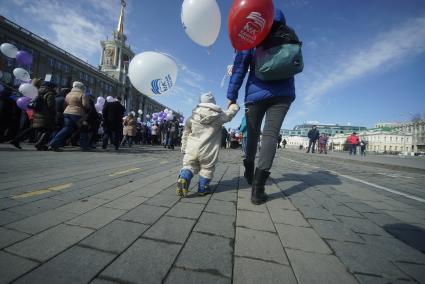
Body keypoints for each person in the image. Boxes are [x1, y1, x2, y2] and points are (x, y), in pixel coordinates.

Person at [227, 8, 297, 205]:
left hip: (255, 93)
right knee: (270, 135)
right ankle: (258, 189)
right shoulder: (287, 33)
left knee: (252, 132)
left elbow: (240, 67)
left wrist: (231, 96)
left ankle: (249, 166)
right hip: (283, 93)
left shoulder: (252, 32)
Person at [177, 92, 239, 197]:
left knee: (189, 166)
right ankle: (203, 188)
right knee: (207, 168)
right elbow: (230, 113)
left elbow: (186, 134)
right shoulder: (219, 116)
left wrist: (184, 148)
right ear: (213, 103)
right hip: (208, 150)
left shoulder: (192, 117)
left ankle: (184, 178)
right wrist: (234, 105)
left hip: (192, 148)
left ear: (200, 102)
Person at [49, 81, 90, 151]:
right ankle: (84, 145)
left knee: (66, 129)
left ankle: (53, 143)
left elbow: (65, 104)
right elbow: (85, 105)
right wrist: (88, 109)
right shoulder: (82, 94)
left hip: (67, 113)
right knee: (84, 128)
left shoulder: (68, 94)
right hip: (77, 113)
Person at [32, 81, 57, 150]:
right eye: (55, 88)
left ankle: (40, 144)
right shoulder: (50, 93)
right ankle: (39, 144)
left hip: (37, 113)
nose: (56, 89)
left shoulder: (38, 92)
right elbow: (50, 105)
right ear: (51, 87)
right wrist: (54, 112)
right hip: (46, 114)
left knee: (41, 130)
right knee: (48, 130)